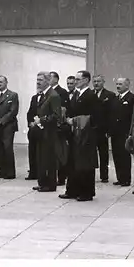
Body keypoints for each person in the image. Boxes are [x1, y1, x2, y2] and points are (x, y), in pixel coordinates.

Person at [60, 70, 98, 202]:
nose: (75, 82)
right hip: (74, 133)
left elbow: (95, 117)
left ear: (86, 80)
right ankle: (72, 190)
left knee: (85, 164)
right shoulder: (76, 94)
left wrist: (75, 120)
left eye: (78, 79)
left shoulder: (91, 95)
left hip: (86, 135)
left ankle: (86, 192)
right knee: (73, 162)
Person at [30, 72, 62, 192]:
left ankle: (50, 184)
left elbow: (56, 115)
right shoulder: (43, 95)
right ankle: (42, 182)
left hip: (49, 132)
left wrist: (41, 120)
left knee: (49, 159)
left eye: (41, 80)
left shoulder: (53, 96)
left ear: (48, 81)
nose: (38, 82)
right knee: (41, 158)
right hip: (41, 131)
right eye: (37, 79)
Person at [109, 78, 134, 187]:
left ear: (127, 85)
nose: (118, 86)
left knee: (124, 155)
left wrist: (130, 132)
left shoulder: (132, 98)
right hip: (115, 132)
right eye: (117, 84)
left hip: (125, 132)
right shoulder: (115, 98)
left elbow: (132, 116)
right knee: (116, 155)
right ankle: (120, 177)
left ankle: (126, 179)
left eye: (120, 84)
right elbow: (111, 115)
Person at [92, 74, 116, 183]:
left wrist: (109, 130)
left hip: (102, 129)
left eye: (98, 81)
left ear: (103, 82)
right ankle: (90, 174)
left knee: (103, 153)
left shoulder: (110, 95)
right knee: (90, 153)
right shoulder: (90, 94)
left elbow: (112, 114)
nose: (96, 83)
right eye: (95, 81)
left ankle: (104, 175)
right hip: (91, 129)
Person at [50, 71, 70, 185]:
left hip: (59, 126)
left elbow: (63, 109)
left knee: (60, 153)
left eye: (50, 78)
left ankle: (61, 177)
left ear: (56, 79)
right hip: (51, 126)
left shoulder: (62, 92)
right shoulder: (48, 92)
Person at [25, 91, 39, 181]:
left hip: (42, 127)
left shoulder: (50, 97)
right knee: (32, 151)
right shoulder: (34, 98)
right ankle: (33, 172)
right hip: (33, 128)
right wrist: (30, 123)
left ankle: (40, 172)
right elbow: (29, 112)